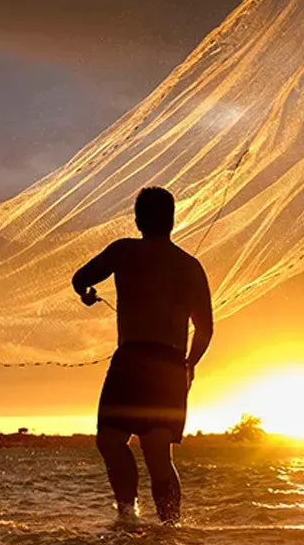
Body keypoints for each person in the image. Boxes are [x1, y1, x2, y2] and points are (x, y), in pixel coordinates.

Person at [72, 187, 213, 524]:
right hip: (155, 363)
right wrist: (189, 365)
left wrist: (88, 295)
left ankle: (150, 522)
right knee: (139, 449)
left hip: (146, 363)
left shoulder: (132, 253)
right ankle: (143, 521)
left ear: (137, 220)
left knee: (124, 445)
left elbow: (80, 279)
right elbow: (205, 329)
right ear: (172, 220)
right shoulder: (184, 265)